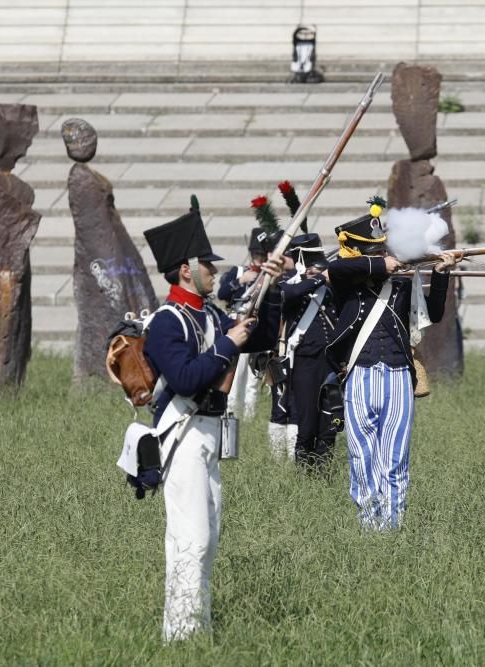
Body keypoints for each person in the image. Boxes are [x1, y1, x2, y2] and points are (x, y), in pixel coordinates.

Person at [141, 206, 283, 642]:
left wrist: (272, 284)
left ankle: (196, 629)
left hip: (208, 435)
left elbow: (261, 333)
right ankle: (180, 634)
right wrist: (226, 343)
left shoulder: (208, 313)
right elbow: (184, 378)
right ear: (185, 270)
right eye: (205, 264)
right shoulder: (166, 322)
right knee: (192, 538)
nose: (212, 269)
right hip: (181, 434)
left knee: (209, 539)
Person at [325, 202, 456, 530]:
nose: (384, 252)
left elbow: (435, 313)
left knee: (395, 460)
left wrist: (442, 272)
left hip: (399, 374)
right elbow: (336, 271)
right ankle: (369, 525)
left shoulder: (400, 280)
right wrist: (381, 264)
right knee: (361, 457)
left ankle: (392, 526)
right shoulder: (347, 280)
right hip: (359, 373)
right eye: (374, 250)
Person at [278, 233, 339, 470]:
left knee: (330, 424)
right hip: (304, 363)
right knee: (307, 426)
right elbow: (290, 295)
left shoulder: (332, 284)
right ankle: (305, 477)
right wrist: (318, 279)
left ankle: (323, 475)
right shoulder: (290, 284)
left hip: (331, 362)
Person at [216, 227, 278, 418]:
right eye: (256, 254)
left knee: (252, 381)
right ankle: (232, 413)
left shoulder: (270, 275)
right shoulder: (238, 272)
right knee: (235, 378)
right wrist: (242, 280)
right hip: (237, 329)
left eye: (262, 254)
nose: (259, 258)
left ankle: (249, 416)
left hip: (258, 330)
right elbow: (222, 293)